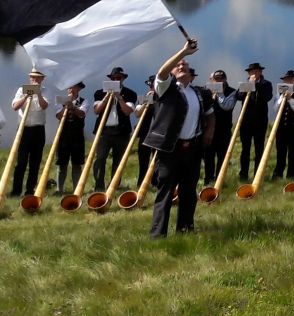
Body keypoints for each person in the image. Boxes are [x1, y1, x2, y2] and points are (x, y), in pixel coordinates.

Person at [143, 36, 212, 238]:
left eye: (185, 65)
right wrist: (183, 52)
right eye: (179, 65)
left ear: (191, 74)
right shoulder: (165, 88)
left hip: (192, 148)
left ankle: (185, 229)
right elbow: (161, 72)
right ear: (173, 72)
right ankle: (158, 235)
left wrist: (208, 133)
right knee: (165, 191)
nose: (182, 66)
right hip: (169, 150)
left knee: (189, 192)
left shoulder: (199, 93)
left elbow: (210, 114)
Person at [92, 66, 138, 193]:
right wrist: (107, 97)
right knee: (100, 159)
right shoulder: (99, 93)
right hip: (104, 132)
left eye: (119, 78)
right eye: (114, 78)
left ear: (123, 79)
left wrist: (119, 97)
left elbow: (128, 111)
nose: (116, 80)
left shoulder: (130, 94)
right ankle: (99, 186)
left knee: (118, 161)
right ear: (110, 79)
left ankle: (114, 187)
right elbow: (97, 110)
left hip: (121, 132)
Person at [9, 68, 49, 197]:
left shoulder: (45, 91)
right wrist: (26, 95)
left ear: (42, 79)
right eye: (32, 77)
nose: (34, 80)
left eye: (37, 78)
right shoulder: (21, 90)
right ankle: (16, 191)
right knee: (21, 162)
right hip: (23, 129)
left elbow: (44, 106)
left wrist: (38, 94)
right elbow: (15, 107)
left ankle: (30, 190)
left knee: (35, 162)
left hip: (38, 130)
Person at [236, 62, 273, 181]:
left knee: (259, 149)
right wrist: (249, 85)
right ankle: (243, 174)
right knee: (245, 149)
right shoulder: (245, 83)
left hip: (260, 122)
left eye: (256, 71)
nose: (253, 73)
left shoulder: (266, 84)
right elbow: (238, 96)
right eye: (251, 72)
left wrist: (255, 86)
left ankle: (258, 174)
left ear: (260, 72)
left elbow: (267, 97)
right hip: (246, 122)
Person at [272, 70, 294, 180]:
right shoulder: (279, 93)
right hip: (281, 128)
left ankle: (292, 174)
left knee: (293, 152)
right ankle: (278, 174)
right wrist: (282, 98)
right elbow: (275, 109)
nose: (288, 82)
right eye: (286, 80)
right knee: (280, 152)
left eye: (291, 80)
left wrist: (290, 99)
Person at [55, 82, 88, 195]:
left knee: (77, 164)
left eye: (73, 87)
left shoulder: (84, 101)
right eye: (69, 86)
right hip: (63, 136)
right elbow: (58, 115)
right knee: (61, 163)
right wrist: (66, 105)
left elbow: (82, 113)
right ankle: (59, 190)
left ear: (78, 89)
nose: (70, 89)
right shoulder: (60, 99)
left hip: (77, 136)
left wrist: (72, 107)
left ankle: (76, 190)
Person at [204, 70, 235, 184]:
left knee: (222, 157)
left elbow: (227, 106)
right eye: (216, 79)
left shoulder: (232, 91)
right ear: (211, 80)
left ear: (225, 79)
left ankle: (219, 181)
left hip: (224, 131)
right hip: (209, 131)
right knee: (208, 157)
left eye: (221, 79)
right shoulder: (206, 90)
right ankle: (208, 180)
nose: (218, 81)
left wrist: (220, 93)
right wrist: (210, 95)